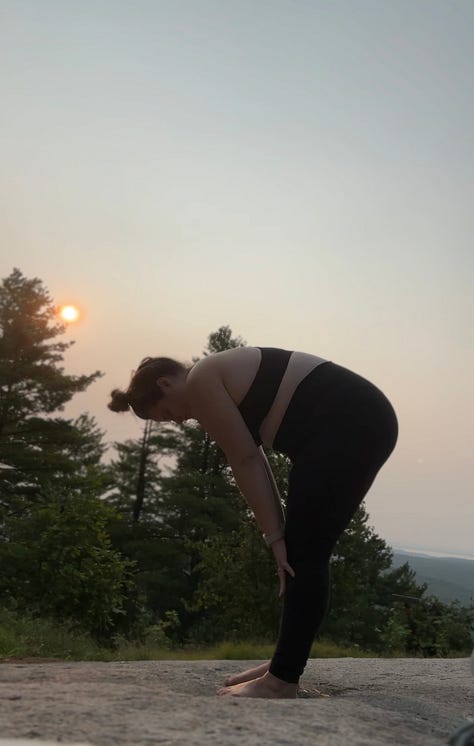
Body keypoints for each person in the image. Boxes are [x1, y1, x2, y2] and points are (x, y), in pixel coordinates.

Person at [108, 346, 398, 699]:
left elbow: (244, 460)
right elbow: (255, 460)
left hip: (347, 422)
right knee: (302, 550)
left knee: (304, 554)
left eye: (168, 414)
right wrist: (278, 538)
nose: (180, 422)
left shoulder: (201, 380)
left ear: (166, 383)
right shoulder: (217, 376)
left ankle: (281, 679)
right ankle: (284, 661)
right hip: (360, 419)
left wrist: (277, 539)